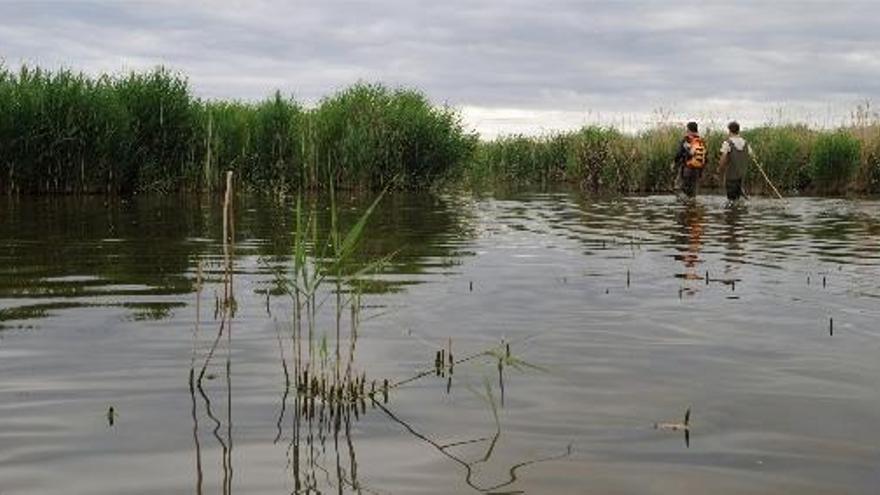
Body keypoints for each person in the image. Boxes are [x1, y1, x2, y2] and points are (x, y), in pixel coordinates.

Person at [717, 121, 750, 202]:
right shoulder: (746, 143)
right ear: (738, 130)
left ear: (729, 131)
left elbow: (723, 159)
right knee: (738, 200)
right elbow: (750, 155)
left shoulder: (727, 143)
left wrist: (719, 169)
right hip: (742, 176)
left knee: (731, 200)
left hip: (731, 176)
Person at [673, 122, 707, 199]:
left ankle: (685, 207)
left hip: (687, 169)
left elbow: (679, 153)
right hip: (697, 170)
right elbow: (706, 156)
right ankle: (692, 207)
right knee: (692, 194)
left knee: (679, 189)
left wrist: (674, 163)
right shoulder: (701, 141)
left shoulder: (687, 139)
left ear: (688, 129)